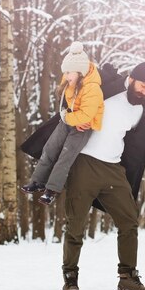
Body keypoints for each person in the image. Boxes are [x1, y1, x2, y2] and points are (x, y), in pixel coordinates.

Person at [61, 61, 145, 290]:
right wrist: (68, 116)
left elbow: (136, 144)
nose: (144, 92)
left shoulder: (141, 109)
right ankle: (70, 278)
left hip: (114, 168)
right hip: (85, 163)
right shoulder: (105, 88)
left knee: (129, 221)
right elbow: (69, 100)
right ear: (132, 77)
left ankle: (127, 277)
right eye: (143, 85)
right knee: (75, 224)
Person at [21, 42, 104, 205]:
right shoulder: (70, 80)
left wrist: (69, 117)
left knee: (65, 156)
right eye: (64, 72)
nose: (65, 76)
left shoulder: (93, 88)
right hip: (69, 119)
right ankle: (37, 181)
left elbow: (87, 114)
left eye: (68, 73)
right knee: (50, 149)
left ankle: (52, 190)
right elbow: (66, 101)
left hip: (83, 127)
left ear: (80, 72)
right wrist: (67, 116)